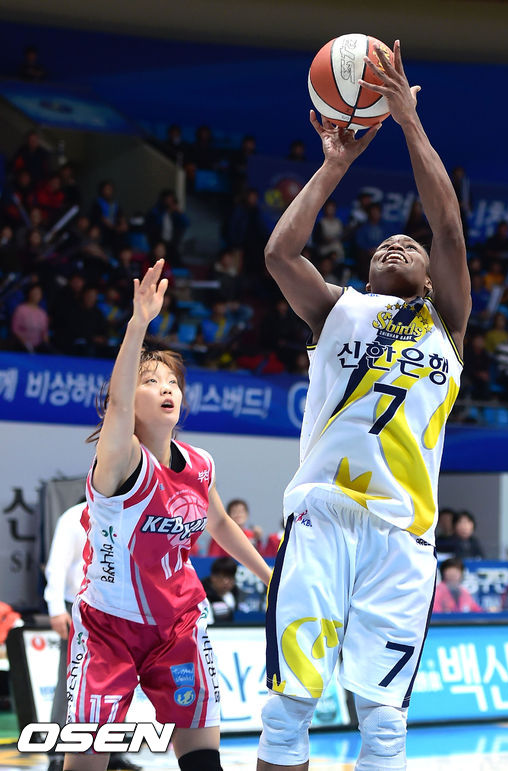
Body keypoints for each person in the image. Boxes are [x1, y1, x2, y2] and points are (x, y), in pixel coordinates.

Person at [257, 41, 471, 771]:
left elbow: (448, 227)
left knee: (384, 727)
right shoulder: (337, 309)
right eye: (385, 243)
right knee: (286, 712)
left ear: (432, 280)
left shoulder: (447, 326)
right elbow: (280, 255)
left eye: (409, 245)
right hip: (322, 516)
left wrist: (409, 121)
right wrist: (335, 165)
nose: (397, 241)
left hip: (403, 538)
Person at [63, 260, 271, 771]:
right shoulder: (120, 460)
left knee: (202, 758)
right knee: (86, 762)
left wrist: (271, 576)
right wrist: (139, 324)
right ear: (129, 399)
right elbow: (116, 406)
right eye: (151, 381)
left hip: (178, 624)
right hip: (108, 626)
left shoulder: (200, 464)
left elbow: (218, 524)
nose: (166, 388)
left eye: (173, 382)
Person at [44, 501, 141, 771]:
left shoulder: (130, 512)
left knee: (122, 681)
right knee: (72, 678)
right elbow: (57, 566)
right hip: (80, 607)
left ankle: (113, 750)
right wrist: (55, 608)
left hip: (120, 608)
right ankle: (58, 751)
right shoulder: (73, 516)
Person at [201, 557, 239, 624]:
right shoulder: (202, 596)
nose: (226, 582)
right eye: (224, 576)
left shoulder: (235, 593)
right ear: (213, 577)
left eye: (231, 577)